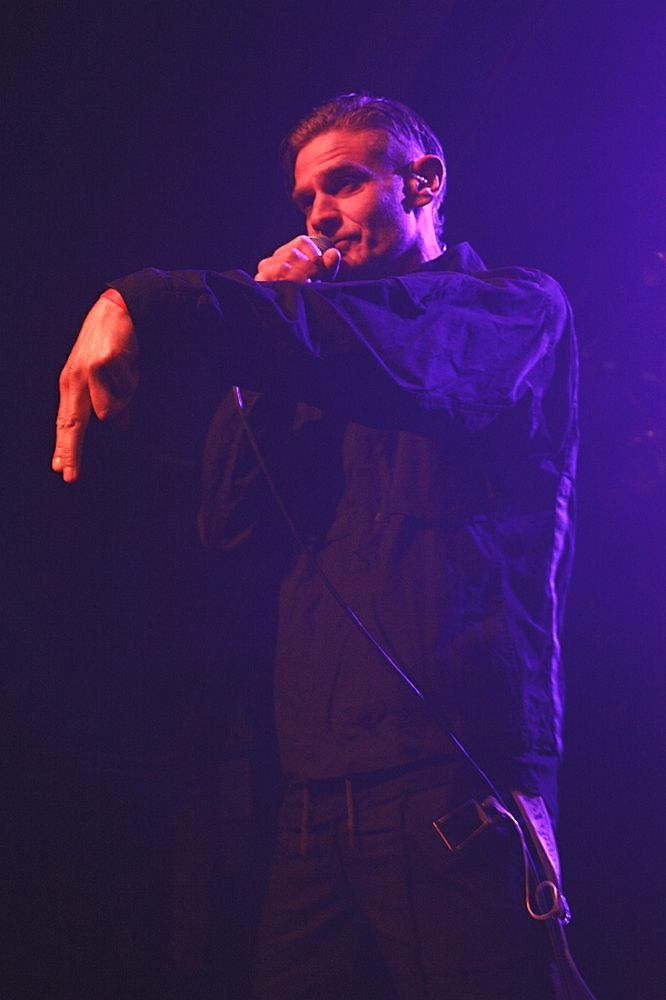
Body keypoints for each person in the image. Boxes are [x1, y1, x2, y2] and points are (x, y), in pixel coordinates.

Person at [52, 94, 579, 999]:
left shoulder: (511, 308)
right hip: (313, 799)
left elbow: (406, 360)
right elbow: (229, 519)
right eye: (305, 199)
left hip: (455, 790)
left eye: (344, 184)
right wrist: (267, 320)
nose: (319, 215)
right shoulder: (316, 349)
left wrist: (160, 301)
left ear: (423, 184)